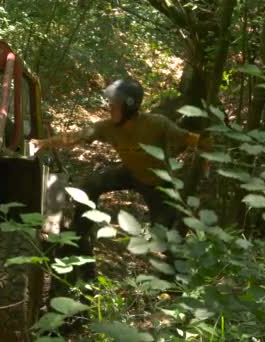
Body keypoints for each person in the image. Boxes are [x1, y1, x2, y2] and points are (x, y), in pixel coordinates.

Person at [30, 78, 211, 264]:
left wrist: (203, 143)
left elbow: (186, 137)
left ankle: (175, 278)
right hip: (130, 172)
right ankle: (78, 237)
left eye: (114, 104)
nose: (110, 107)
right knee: (90, 185)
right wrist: (43, 143)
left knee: (164, 235)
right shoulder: (107, 127)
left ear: (129, 107)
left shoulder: (156, 124)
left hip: (158, 184)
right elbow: (76, 137)